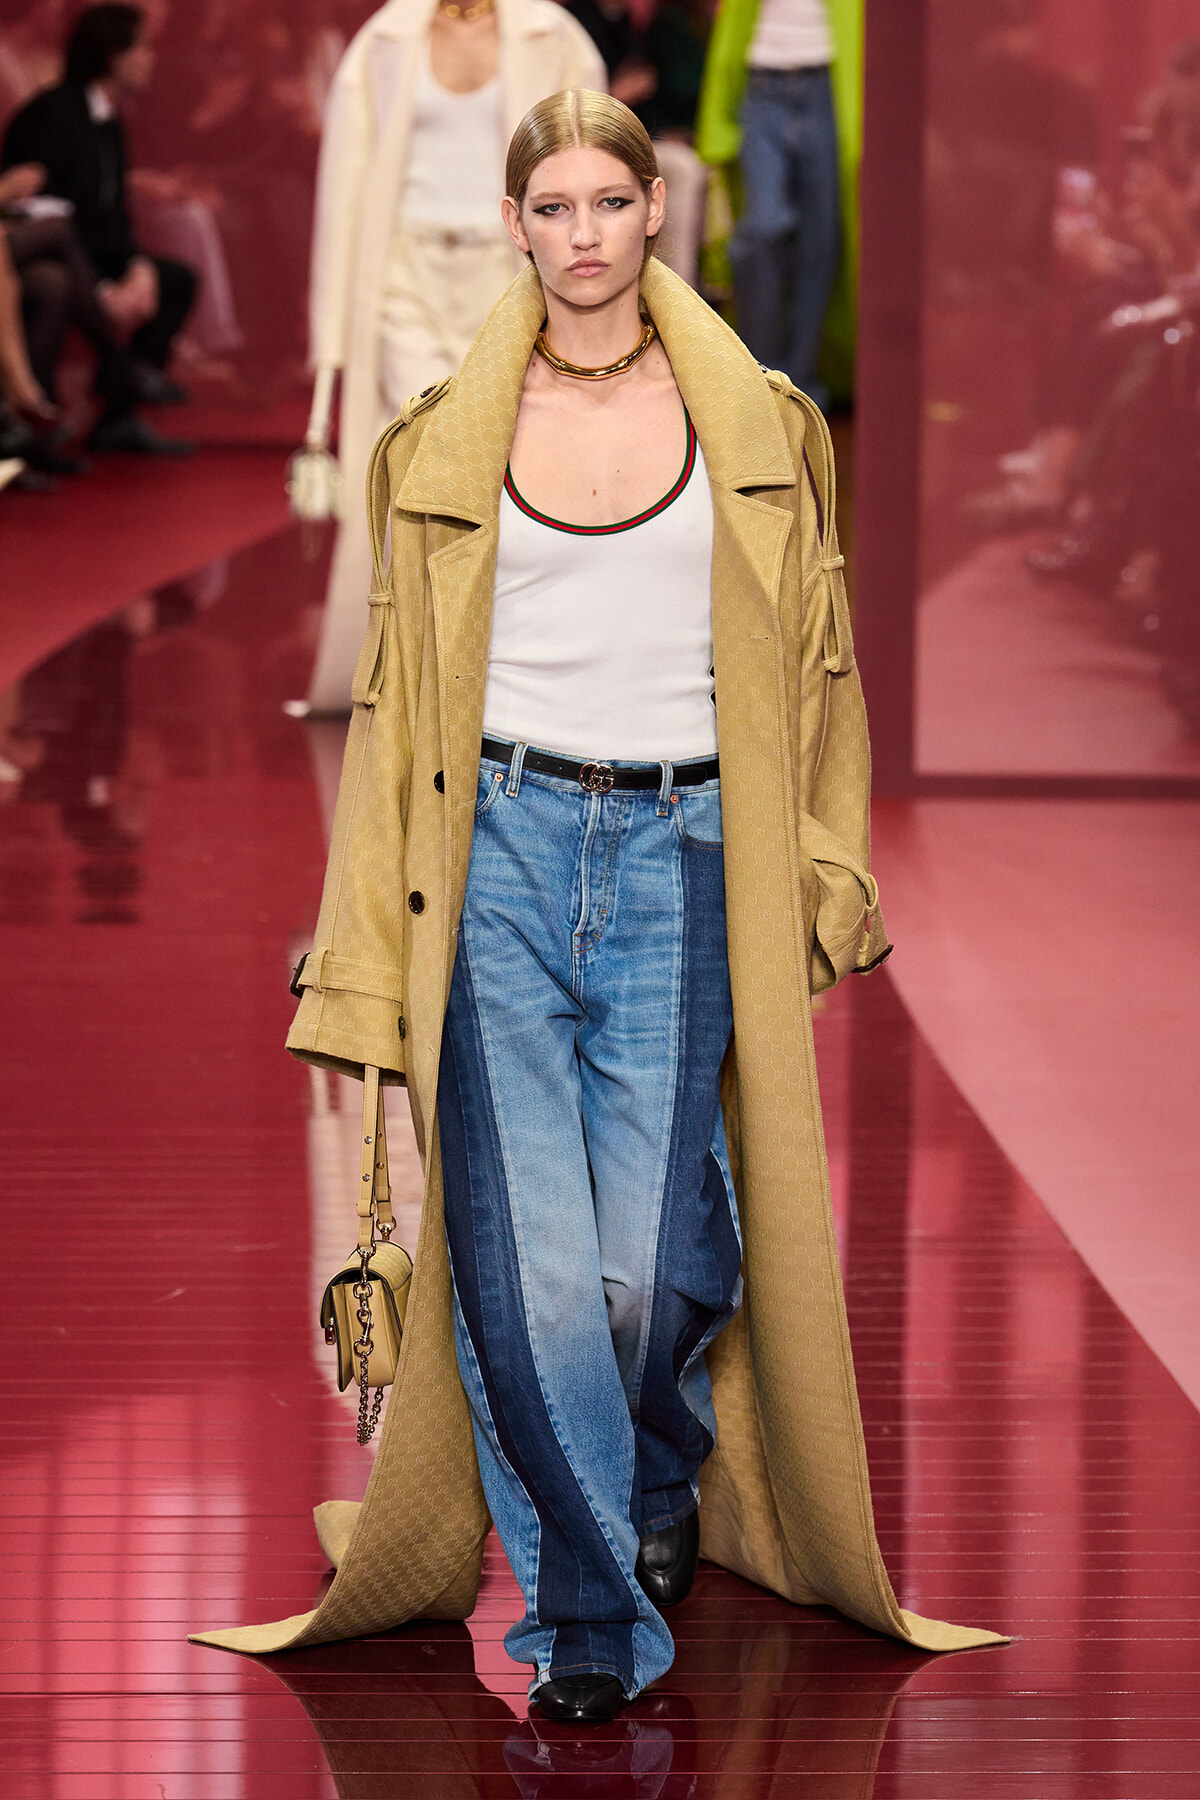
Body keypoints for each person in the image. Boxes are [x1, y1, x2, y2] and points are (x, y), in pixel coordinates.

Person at [192, 89, 1003, 1715]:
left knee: (645, 1263)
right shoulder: (441, 440)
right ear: (516, 226)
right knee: (526, 1261)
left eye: (605, 204)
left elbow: (823, 677)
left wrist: (825, 861)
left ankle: (652, 1482)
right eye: (548, 207)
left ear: (654, 214)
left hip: (683, 856)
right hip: (494, 848)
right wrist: (356, 953)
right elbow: (396, 724)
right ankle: (584, 1620)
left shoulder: (762, 425)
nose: (579, 235)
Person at [301, 0, 603, 714]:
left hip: (511, 278)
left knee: (507, 464)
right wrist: (334, 335)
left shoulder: (552, 36)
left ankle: (500, 666)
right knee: (430, 452)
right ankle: (422, 666)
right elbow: (344, 188)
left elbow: (597, 168)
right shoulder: (386, 38)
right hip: (404, 271)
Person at [1, 3, 195, 454]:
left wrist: (136, 266)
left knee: (175, 279)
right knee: (55, 281)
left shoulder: (111, 122)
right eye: (143, 47)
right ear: (113, 55)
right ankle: (116, 374)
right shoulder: (53, 116)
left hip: (93, 262)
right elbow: (44, 211)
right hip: (48, 256)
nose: (152, 58)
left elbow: (114, 215)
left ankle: (118, 413)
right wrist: (104, 289)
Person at [696, 0, 842, 406]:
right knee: (763, 227)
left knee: (822, 240)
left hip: (827, 81)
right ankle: (760, 377)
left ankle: (801, 385)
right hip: (762, 83)